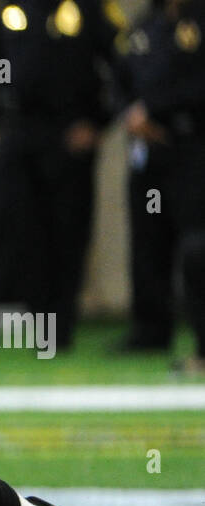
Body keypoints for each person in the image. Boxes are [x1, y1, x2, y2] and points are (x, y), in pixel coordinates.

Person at [0, 0, 125, 354]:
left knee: (64, 234)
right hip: (18, 129)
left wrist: (99, 121)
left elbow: (122, 66)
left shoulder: (89, 10)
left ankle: (56, 331)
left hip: (68, 134)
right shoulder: (6, 8)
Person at [121, 0, 205, 374]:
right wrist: (132, 114)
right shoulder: (144, 26)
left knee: (194, 244)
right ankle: (151, 327)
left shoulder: (198, 21)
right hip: (150, 155)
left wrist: (154, 109)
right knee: (150, 238)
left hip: (189, 147)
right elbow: (121, 75)